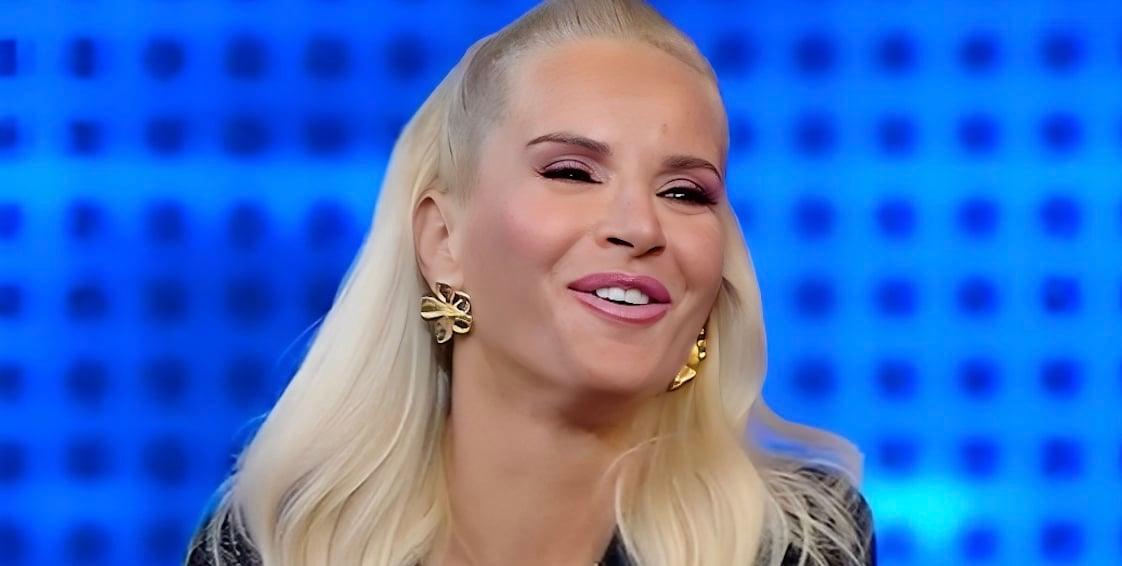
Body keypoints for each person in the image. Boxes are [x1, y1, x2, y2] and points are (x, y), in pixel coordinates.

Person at [184, 1, 876, 565]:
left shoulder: (795, 545)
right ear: (443, 241)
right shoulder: (278, 543)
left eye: (685, 192)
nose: (640, 226)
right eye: (572, 173)